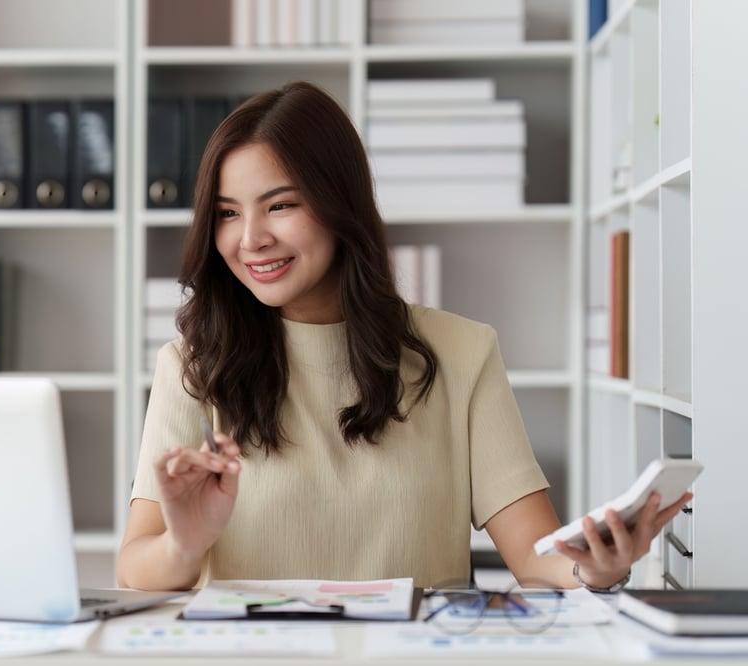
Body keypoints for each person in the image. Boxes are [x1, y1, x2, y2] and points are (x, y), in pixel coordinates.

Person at [117, 81, 691, 592]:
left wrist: (598, 569)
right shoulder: (194, 367)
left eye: (281, 205)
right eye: (227, 214)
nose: (251, 239)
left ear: (339, 203)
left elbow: (536, 558)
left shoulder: (462, 353)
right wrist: (184, 545)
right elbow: (135, 570)